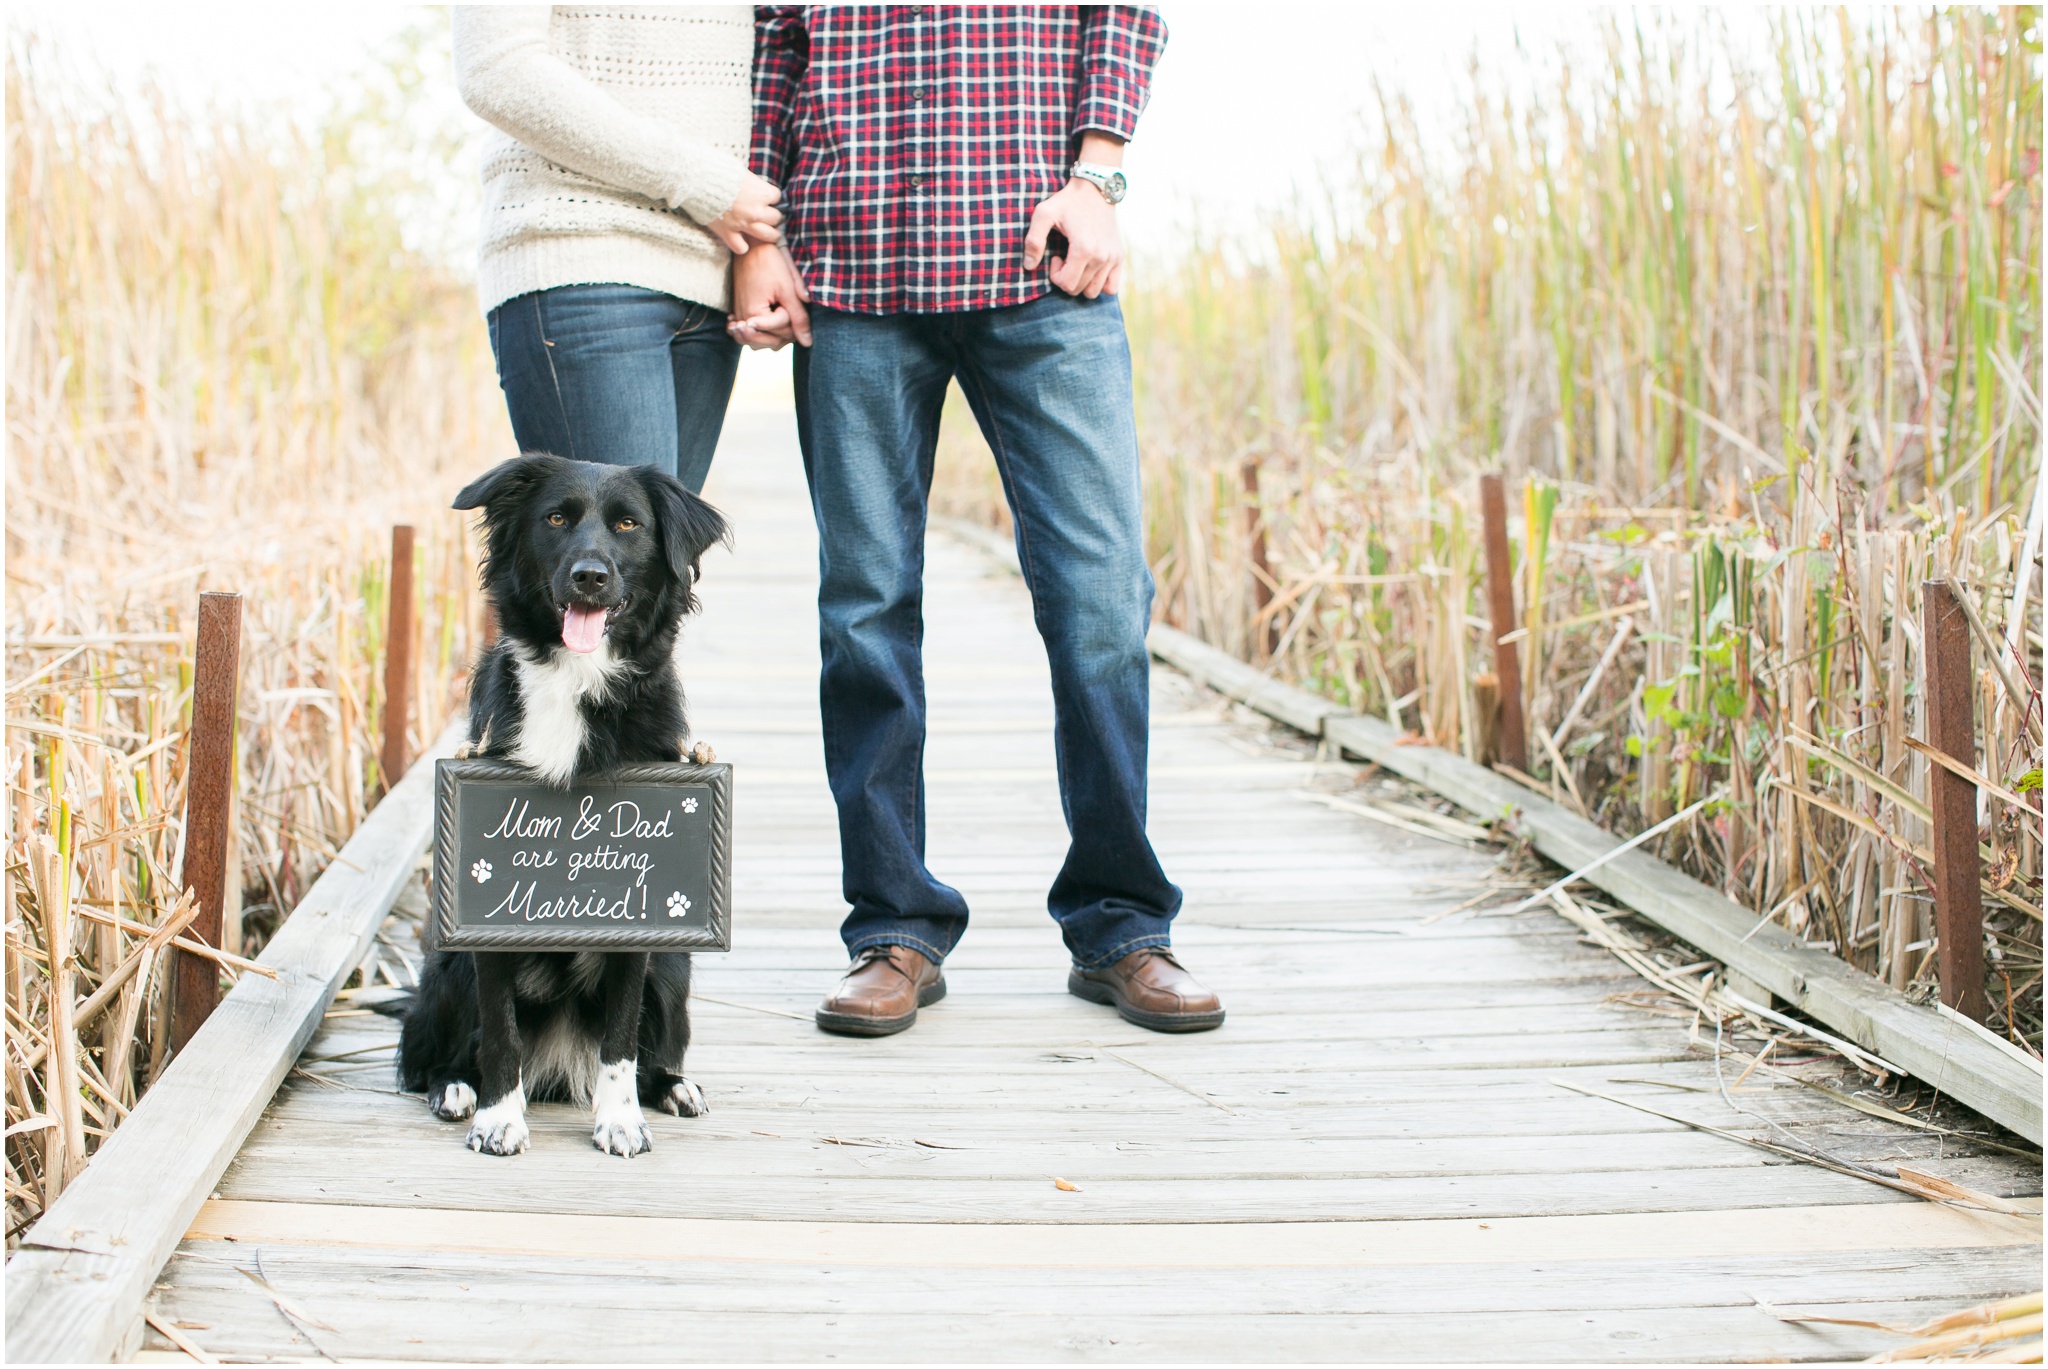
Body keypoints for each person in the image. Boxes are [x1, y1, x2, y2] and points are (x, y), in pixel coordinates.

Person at [731, 6, 1224, 1037]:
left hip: (1037, 264)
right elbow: (775, 45)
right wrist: (758, 241)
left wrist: (1098, 179)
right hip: (851, 264)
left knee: (1098, 600)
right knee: (863, 611)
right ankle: (892, 926)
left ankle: (1120, 923)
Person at [452, 6, 785, 492]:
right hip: (583, 255)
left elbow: (778, 63)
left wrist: (761, 244)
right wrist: (702, 184)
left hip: (708, 275)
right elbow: (497, 68)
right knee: (606, 559)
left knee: (661, 562)